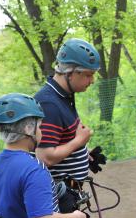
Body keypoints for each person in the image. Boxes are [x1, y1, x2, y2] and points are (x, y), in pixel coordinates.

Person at [34, 38, 105, 183]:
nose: (92, 81)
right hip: (56, 199)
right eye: (88, 75)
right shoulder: (49, 104)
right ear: (70, 73)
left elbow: (61, 140)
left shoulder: (63, 97)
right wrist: (79, 141)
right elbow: (45, 157)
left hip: (71, 193)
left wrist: (84, 153)